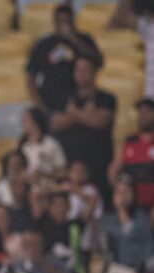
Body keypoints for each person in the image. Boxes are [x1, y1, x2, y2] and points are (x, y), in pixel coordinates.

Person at [50, 54, 116, 204]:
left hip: (98, 162)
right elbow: (55, 123)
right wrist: (86, 115)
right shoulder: (64, 97)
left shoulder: (106, 98)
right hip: (71, 162)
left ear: (94, 72)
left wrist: (72, 114)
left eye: (85, 69)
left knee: (99, 204)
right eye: (78, 69)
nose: (81, 73)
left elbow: (101, 121)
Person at [26, 4, 101, 111]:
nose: (65, 25)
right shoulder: (43, 44)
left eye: (68, 21)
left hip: (79, 100)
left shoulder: (85, 40)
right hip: (50, 100)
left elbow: (98, 61)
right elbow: (30, 76)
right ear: (54, 22)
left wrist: (74, 39)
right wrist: (39, 104)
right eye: (61, 22)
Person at [109, 97, 154, 210]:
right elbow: (113, 172)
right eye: (140, 112)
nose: (143, 116)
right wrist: (121, 194)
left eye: (147, 112)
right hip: (134, 206)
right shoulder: (127, 142)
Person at [100, 177, 153, 268]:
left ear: (133, 195)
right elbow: (104, 245)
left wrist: (121, 209)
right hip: (117, 267)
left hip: (142, 266)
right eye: (119, 192)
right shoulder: (108, 219)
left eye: (126, 192)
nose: (122, 196)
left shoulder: (142, 217)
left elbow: (128, 233)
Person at [19, 107, 67, 178]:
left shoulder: (51, 144)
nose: (22, 124)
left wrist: (45, 174)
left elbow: (62, 171)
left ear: (35, 122)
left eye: (25, 121)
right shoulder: (22, 147)